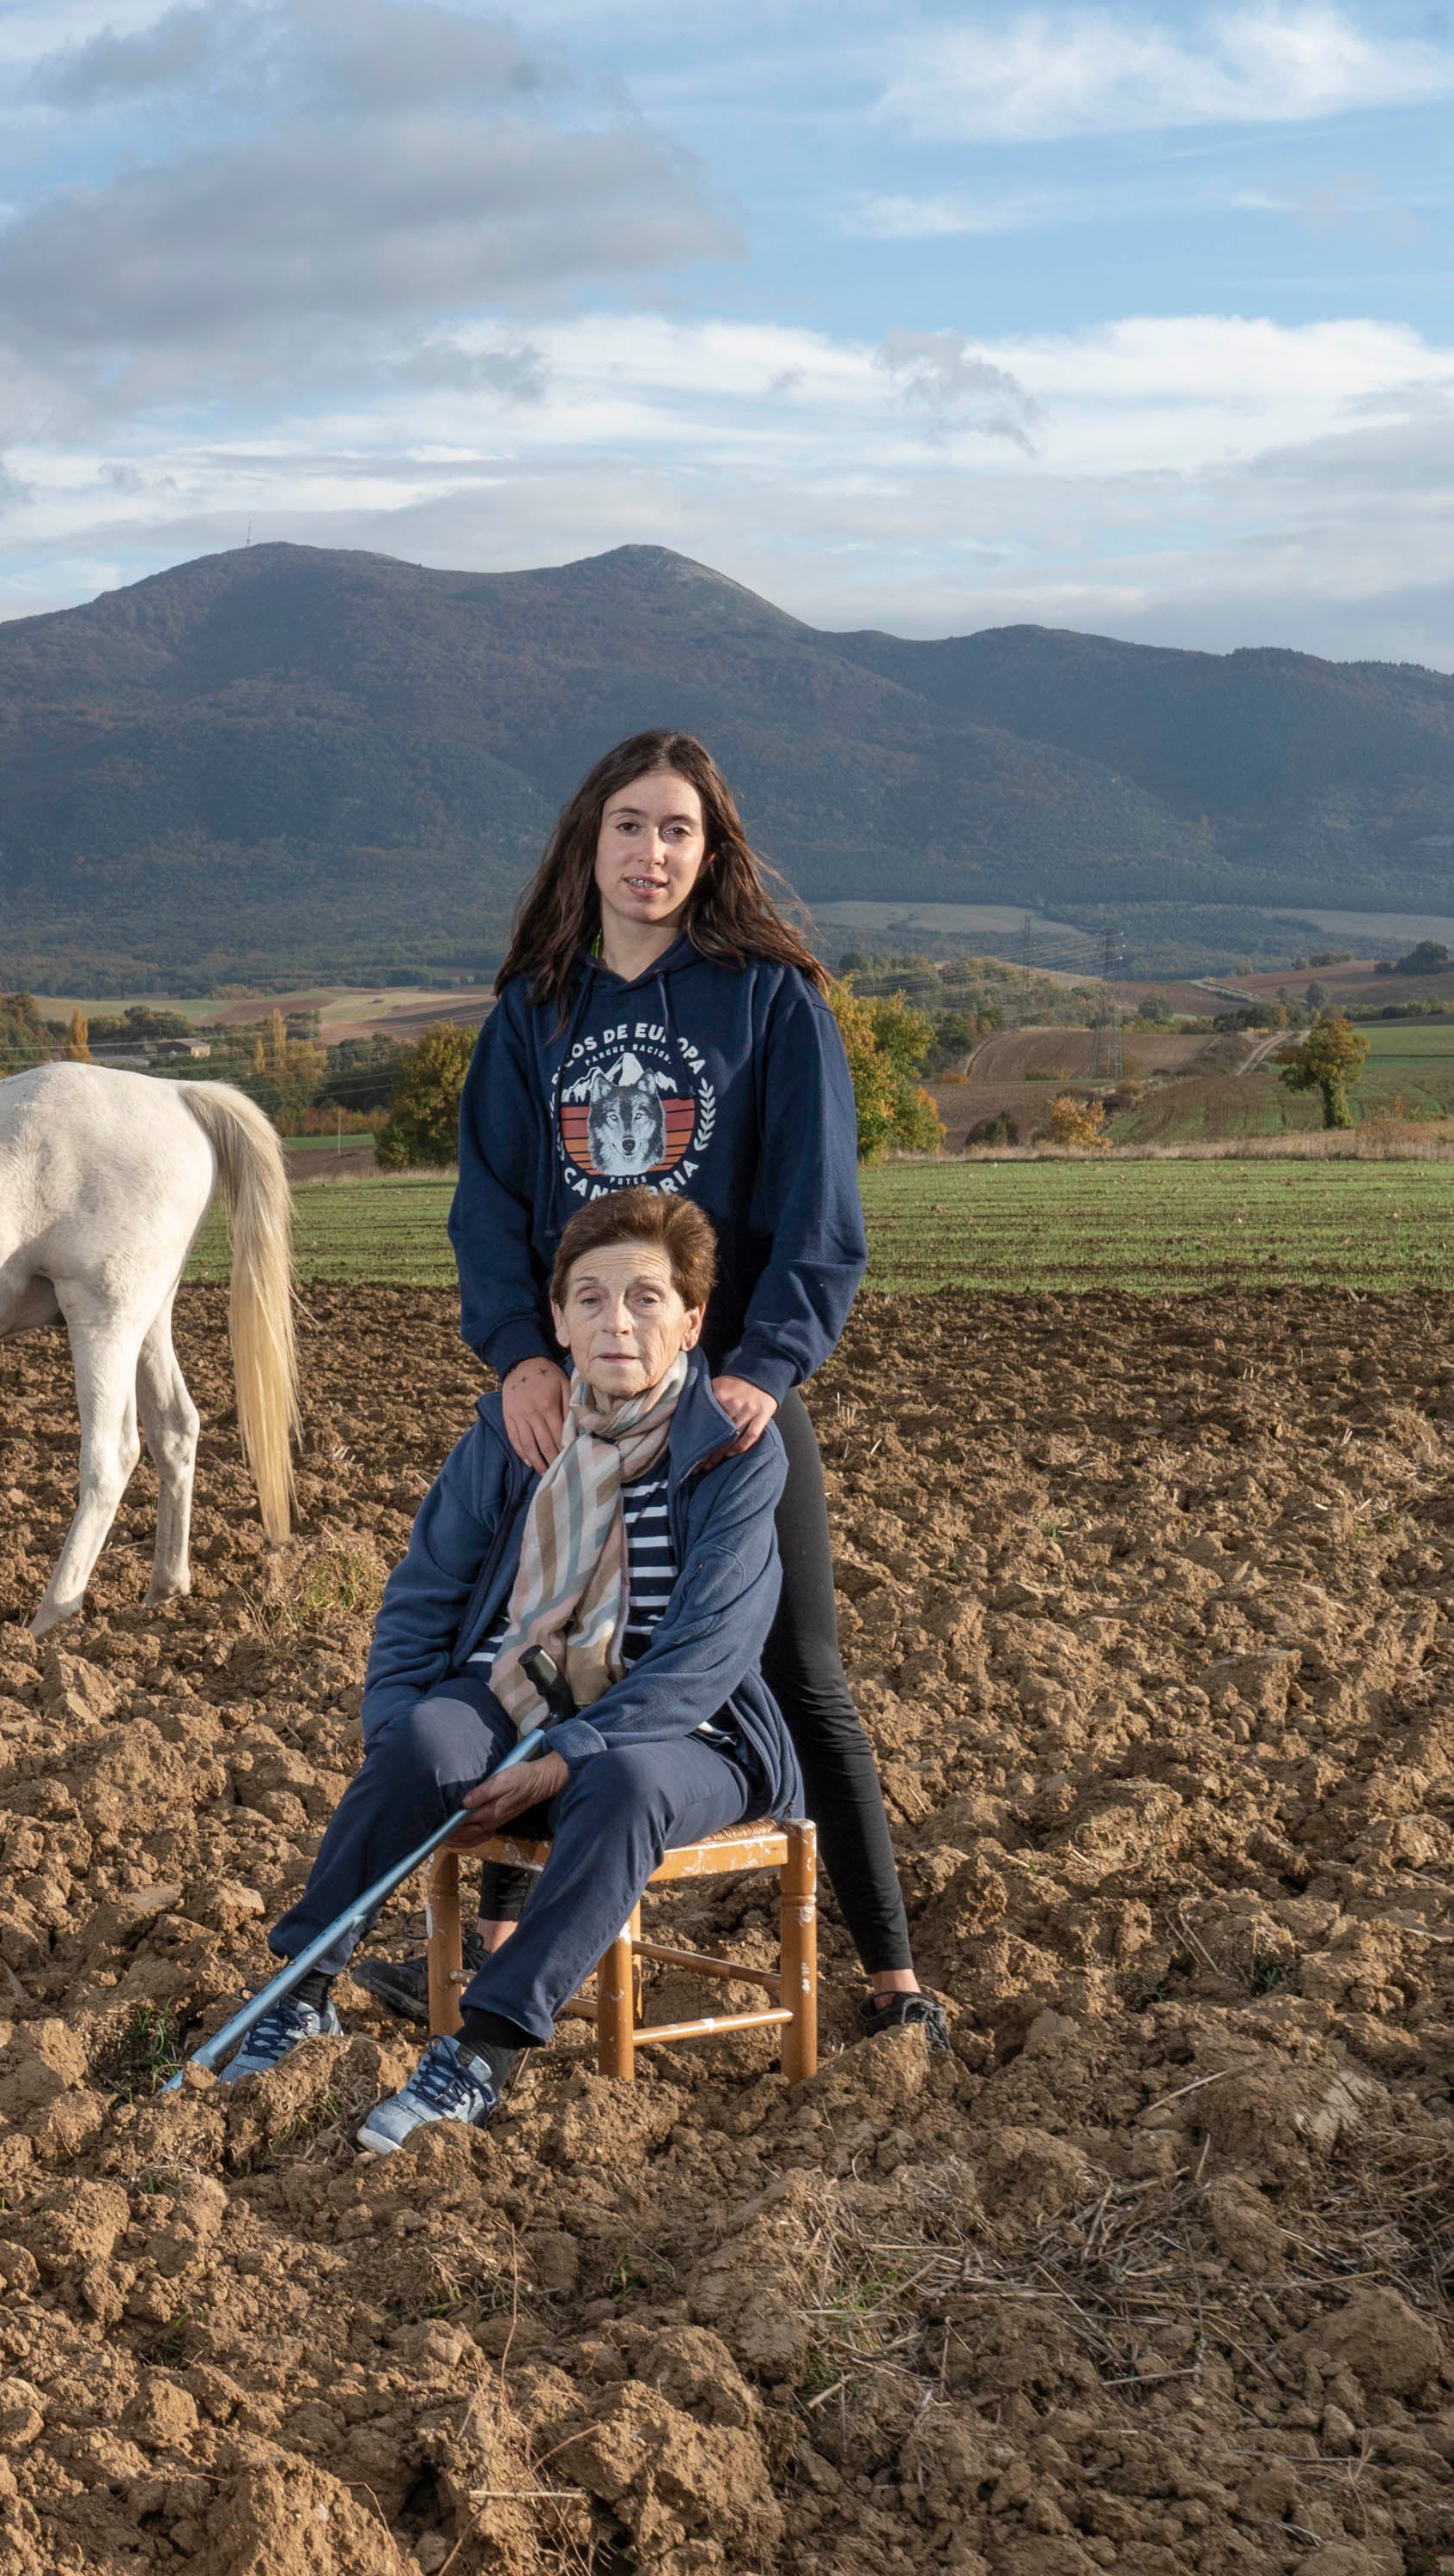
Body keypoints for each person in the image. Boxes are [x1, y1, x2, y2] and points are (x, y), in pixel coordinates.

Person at [362, 729, 946, 2050]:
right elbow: (489, 1211)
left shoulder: (770, 1002)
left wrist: (760, 1372)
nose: (652, 853)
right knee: (524, 1642)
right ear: (589, 841)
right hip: (565, 1396)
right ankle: (495, 1945)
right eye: (629, 826)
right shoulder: (535, 1011)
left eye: (679, 830)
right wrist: (518, 1355)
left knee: (802, 1671)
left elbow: (818, 1217)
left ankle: (896, 1983)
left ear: (712, 850)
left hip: (723, 1395)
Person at [227, 1190, 802, 2149]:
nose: (617, 1321)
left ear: (694, 1319)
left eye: (646, 1299)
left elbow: (707, 1656)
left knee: (620, 1782)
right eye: (590, 1299)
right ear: (558, 1318)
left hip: (677, 1736)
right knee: (422, 1735)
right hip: (511, 1696)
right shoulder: (512, 1433)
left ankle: (479, 2056)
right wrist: (400, 1756)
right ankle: (302, 1988)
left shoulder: (735, 1451)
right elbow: (423, 1597)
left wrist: (569, 1752)